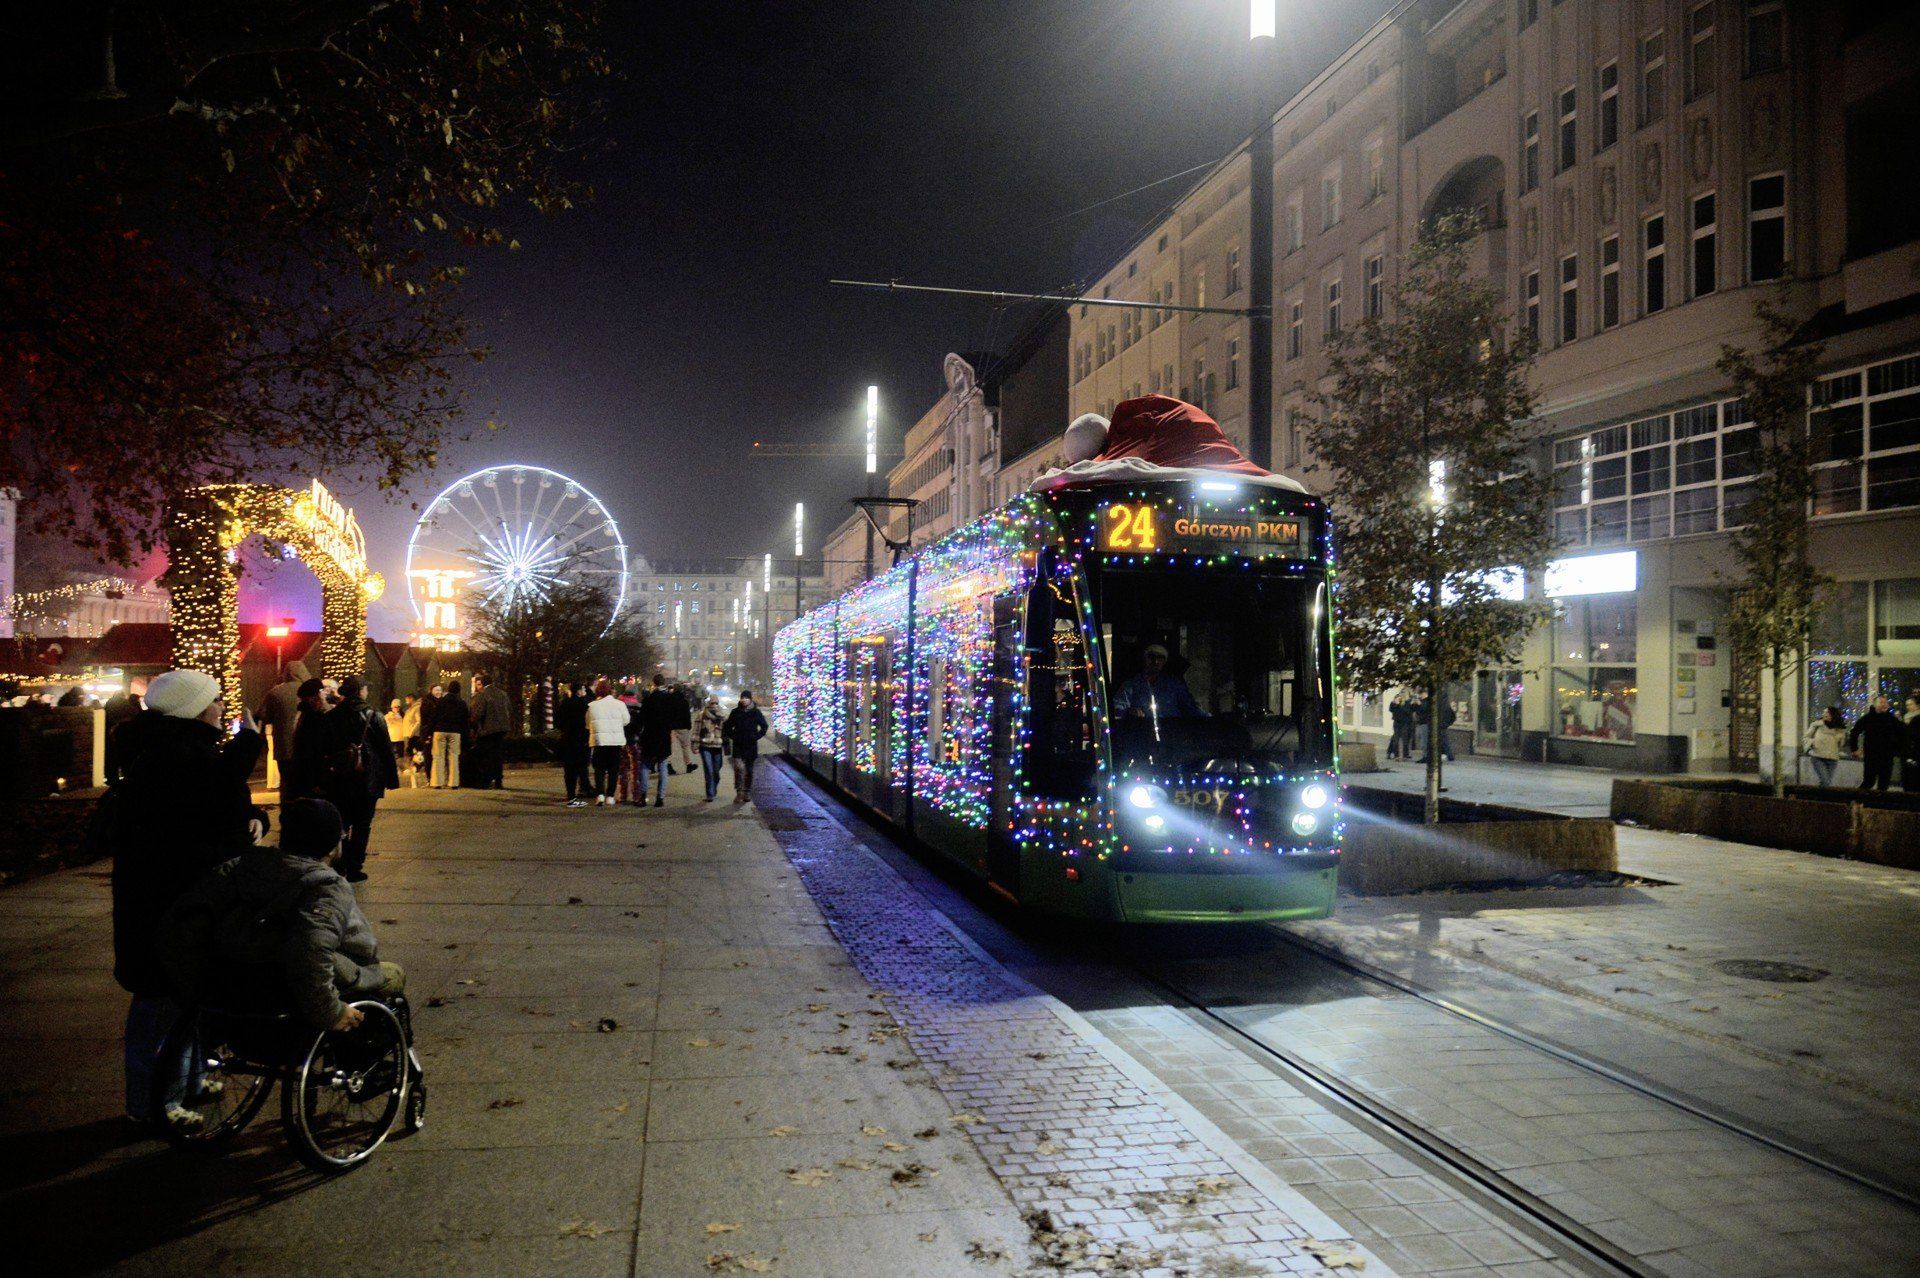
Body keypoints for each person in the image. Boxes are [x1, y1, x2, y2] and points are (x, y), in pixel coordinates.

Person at [109, 668, 264, 1129]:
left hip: (171, 900)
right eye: (215, 701)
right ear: (194, 709)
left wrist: (252, 818)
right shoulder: (175, 758)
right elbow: (212, 807)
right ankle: (151, 1102)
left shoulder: (166, 750)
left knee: (189, 996)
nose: (222, 709)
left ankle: (190, 1080)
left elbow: (220, 806)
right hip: (166, 904)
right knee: (160, 1002)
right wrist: (249, 747)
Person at [159, 797, 406, 1037]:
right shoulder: (326, 886)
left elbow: (185, 923)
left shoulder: (239, 867)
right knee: (391, 976)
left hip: (233, 983)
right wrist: (330, 1011)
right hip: (291, 991)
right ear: (332, 846)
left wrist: (194, 986)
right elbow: (311, 950)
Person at [317, 676, 401, 884]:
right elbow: (385, 749)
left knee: (343, 821)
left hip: (341, 776)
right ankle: (355, 866)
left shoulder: (332, 716)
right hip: (367, 776)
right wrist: (391, 778)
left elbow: (324, 747)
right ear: (361, 691)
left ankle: (341, 862)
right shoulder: (373, 715)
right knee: (363, 823)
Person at [255, 660, 312, 790]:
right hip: (306, 748)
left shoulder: (275, 693)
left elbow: (264, 716)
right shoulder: (309, 691)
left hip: (284, 748)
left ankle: (287, 807)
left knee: (287, 784)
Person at [1109, 643, 1204, 719]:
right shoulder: (1131, 685)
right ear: (1145, 659)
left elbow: (1192, 708)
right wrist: (1129, 712)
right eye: (1151, 657)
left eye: (1160, 658)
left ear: (1165, 661)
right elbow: (1115, 708)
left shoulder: (1174, 685)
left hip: (1171, 734)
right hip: (1142, 734)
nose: (1155, 661)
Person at [283, 678, 332, 801]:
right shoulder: (316, 717)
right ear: (315, 696)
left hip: (301, 773)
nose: (325, 693)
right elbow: (314, 749)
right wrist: (317, 781)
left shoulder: (303, 714)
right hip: (312, 776)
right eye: (322, 691)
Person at [636, 674, 681, 807]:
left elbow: (641, 719)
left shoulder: (648, 699)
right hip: (663, 736)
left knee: (645, 765)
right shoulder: (670, 699)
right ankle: (660, 798)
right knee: (663, 765)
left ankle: (643, 796)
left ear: (654, 683)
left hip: (649, 735)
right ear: (664, 683)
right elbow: (674, 718)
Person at [586, 678, 629, 806]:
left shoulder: (592, 706)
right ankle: (610, 796)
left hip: (599, 742)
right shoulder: (620, 704)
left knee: (599, 769)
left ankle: (600, 794)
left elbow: (588, 724)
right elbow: (626, 720)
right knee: (613, 769)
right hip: (615, 742)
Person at [723, 689, 770, 804]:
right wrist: (734, 736)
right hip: (738, 745)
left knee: (749, 769)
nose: (744, 700)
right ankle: (739, 792)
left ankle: (747, 791)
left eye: (746, 698)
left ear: (750, 699)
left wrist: (755, 736)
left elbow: (764, 726)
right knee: (738, 768)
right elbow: (727, 727)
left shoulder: (756, 712)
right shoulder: (735, 712)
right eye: (742, 698)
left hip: (751, 745)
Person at [1849, 695, 1903, 792]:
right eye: (1881, 702)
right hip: (1871, 756)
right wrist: (1854, 748)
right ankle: (1856, 800)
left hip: (1887, 757)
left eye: (1886, 702)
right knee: (1869, 782)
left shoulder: (1892, 719)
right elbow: (1854, 732)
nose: (1884, 705)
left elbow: (1901, 734)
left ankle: (1878, 805)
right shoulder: (1867, 718)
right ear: (1874, 704)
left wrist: (1897, 750)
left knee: (1884, 784)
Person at [468, 673, 511, 790]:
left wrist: (473, 724)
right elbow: (508, 709)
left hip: (488, 730)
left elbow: (478, 714)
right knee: (498, 755)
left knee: (487, 756)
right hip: (502, 729)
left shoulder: (483, 695)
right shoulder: (502, 694)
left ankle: (486, 781)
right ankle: (498, 781)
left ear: (483, 683)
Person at [555, 681, 594, 806]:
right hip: (581, 740)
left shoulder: (564, 703)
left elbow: (558, 722)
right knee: (581, 766)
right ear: (579, 690)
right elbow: (588, 723)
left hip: (568, 739)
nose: (584, 691)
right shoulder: (583, 705)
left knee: (569, 769)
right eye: (583, 688)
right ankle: (583, 788)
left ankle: (570, 794)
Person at [428, 680, 470, 788]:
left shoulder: (441, 701)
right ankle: (454, 783)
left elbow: (433, 717)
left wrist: (429, 732)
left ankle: (437, 782)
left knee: (438, 756)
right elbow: (465, 720)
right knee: (454, 756)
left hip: (440, 730)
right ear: (458, 690)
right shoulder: (461, 703)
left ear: (448, 689)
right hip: (455, 731)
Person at [1803, 705, 1849, 787]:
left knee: (1826, 783)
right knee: (1825, 782)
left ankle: (1819, 798)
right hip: (1818, 757)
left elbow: (1841, 743)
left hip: (1832, 758)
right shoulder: (1817, 725)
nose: (1825, 714)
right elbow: (1806, 737)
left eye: (1827, 713)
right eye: (1824, 713)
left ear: (1833, 715)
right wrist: (1812, 742)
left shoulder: (1839, 729)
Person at [693, 695, 727, 802]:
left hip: (717, 746)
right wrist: (695, 745)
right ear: (709, 703)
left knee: (716, 771)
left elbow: (727, 732)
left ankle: (713, 787)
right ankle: (710, 794)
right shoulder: (702, 715)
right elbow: (696, 731)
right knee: (708, 770)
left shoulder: (723, 716)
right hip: (705, 746)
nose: (714, 706)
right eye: (712, 703)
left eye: (716, 703)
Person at [1904, 694, 1920, 793]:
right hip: (1908, 750)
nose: (1908, 707)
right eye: (1907, 705)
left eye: (1911, 704)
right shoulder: (1906, 717)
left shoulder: (1916, 719)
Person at [1386, 696, 1409, 761]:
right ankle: (1396, 755)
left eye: (1400, 698)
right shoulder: (1393, 704)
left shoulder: (1406, 704)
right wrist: (1395, 703)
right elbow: (1391, 710)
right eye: (1398, 698)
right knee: (1396, 739)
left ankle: (1404, 755)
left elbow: (1407, 712)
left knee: (1404, 739)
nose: (1399, 699)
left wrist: (1400, 705)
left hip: (1404, 723)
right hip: (1396, 723)